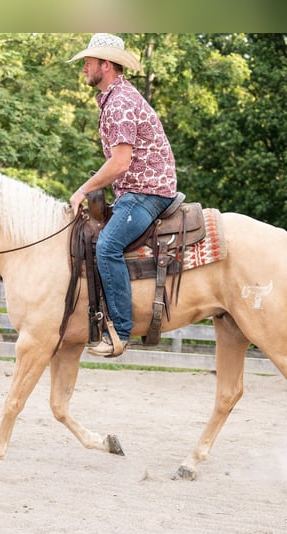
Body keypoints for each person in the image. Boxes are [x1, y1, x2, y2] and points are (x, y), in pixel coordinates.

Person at [68, 33, 178, 358]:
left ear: (106, 65)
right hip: (140, 188)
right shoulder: (115, 98)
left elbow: (120, 162)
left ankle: (119, 331)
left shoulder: (120, 103)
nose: (84, 68)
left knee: (107, 245)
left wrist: (83, 190)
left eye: (89, 62)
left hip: (147, 191)